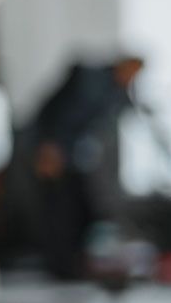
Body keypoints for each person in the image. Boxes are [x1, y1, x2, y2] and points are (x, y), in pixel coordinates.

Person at [23, 54, 144, 279]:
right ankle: (60, 268)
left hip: (78, 159)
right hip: (55, 151)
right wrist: (50, 148)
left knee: (82, 211)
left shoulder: (115, 91)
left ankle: (74, 264)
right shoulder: (90, 80)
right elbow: (60, 115)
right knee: (59, 213)